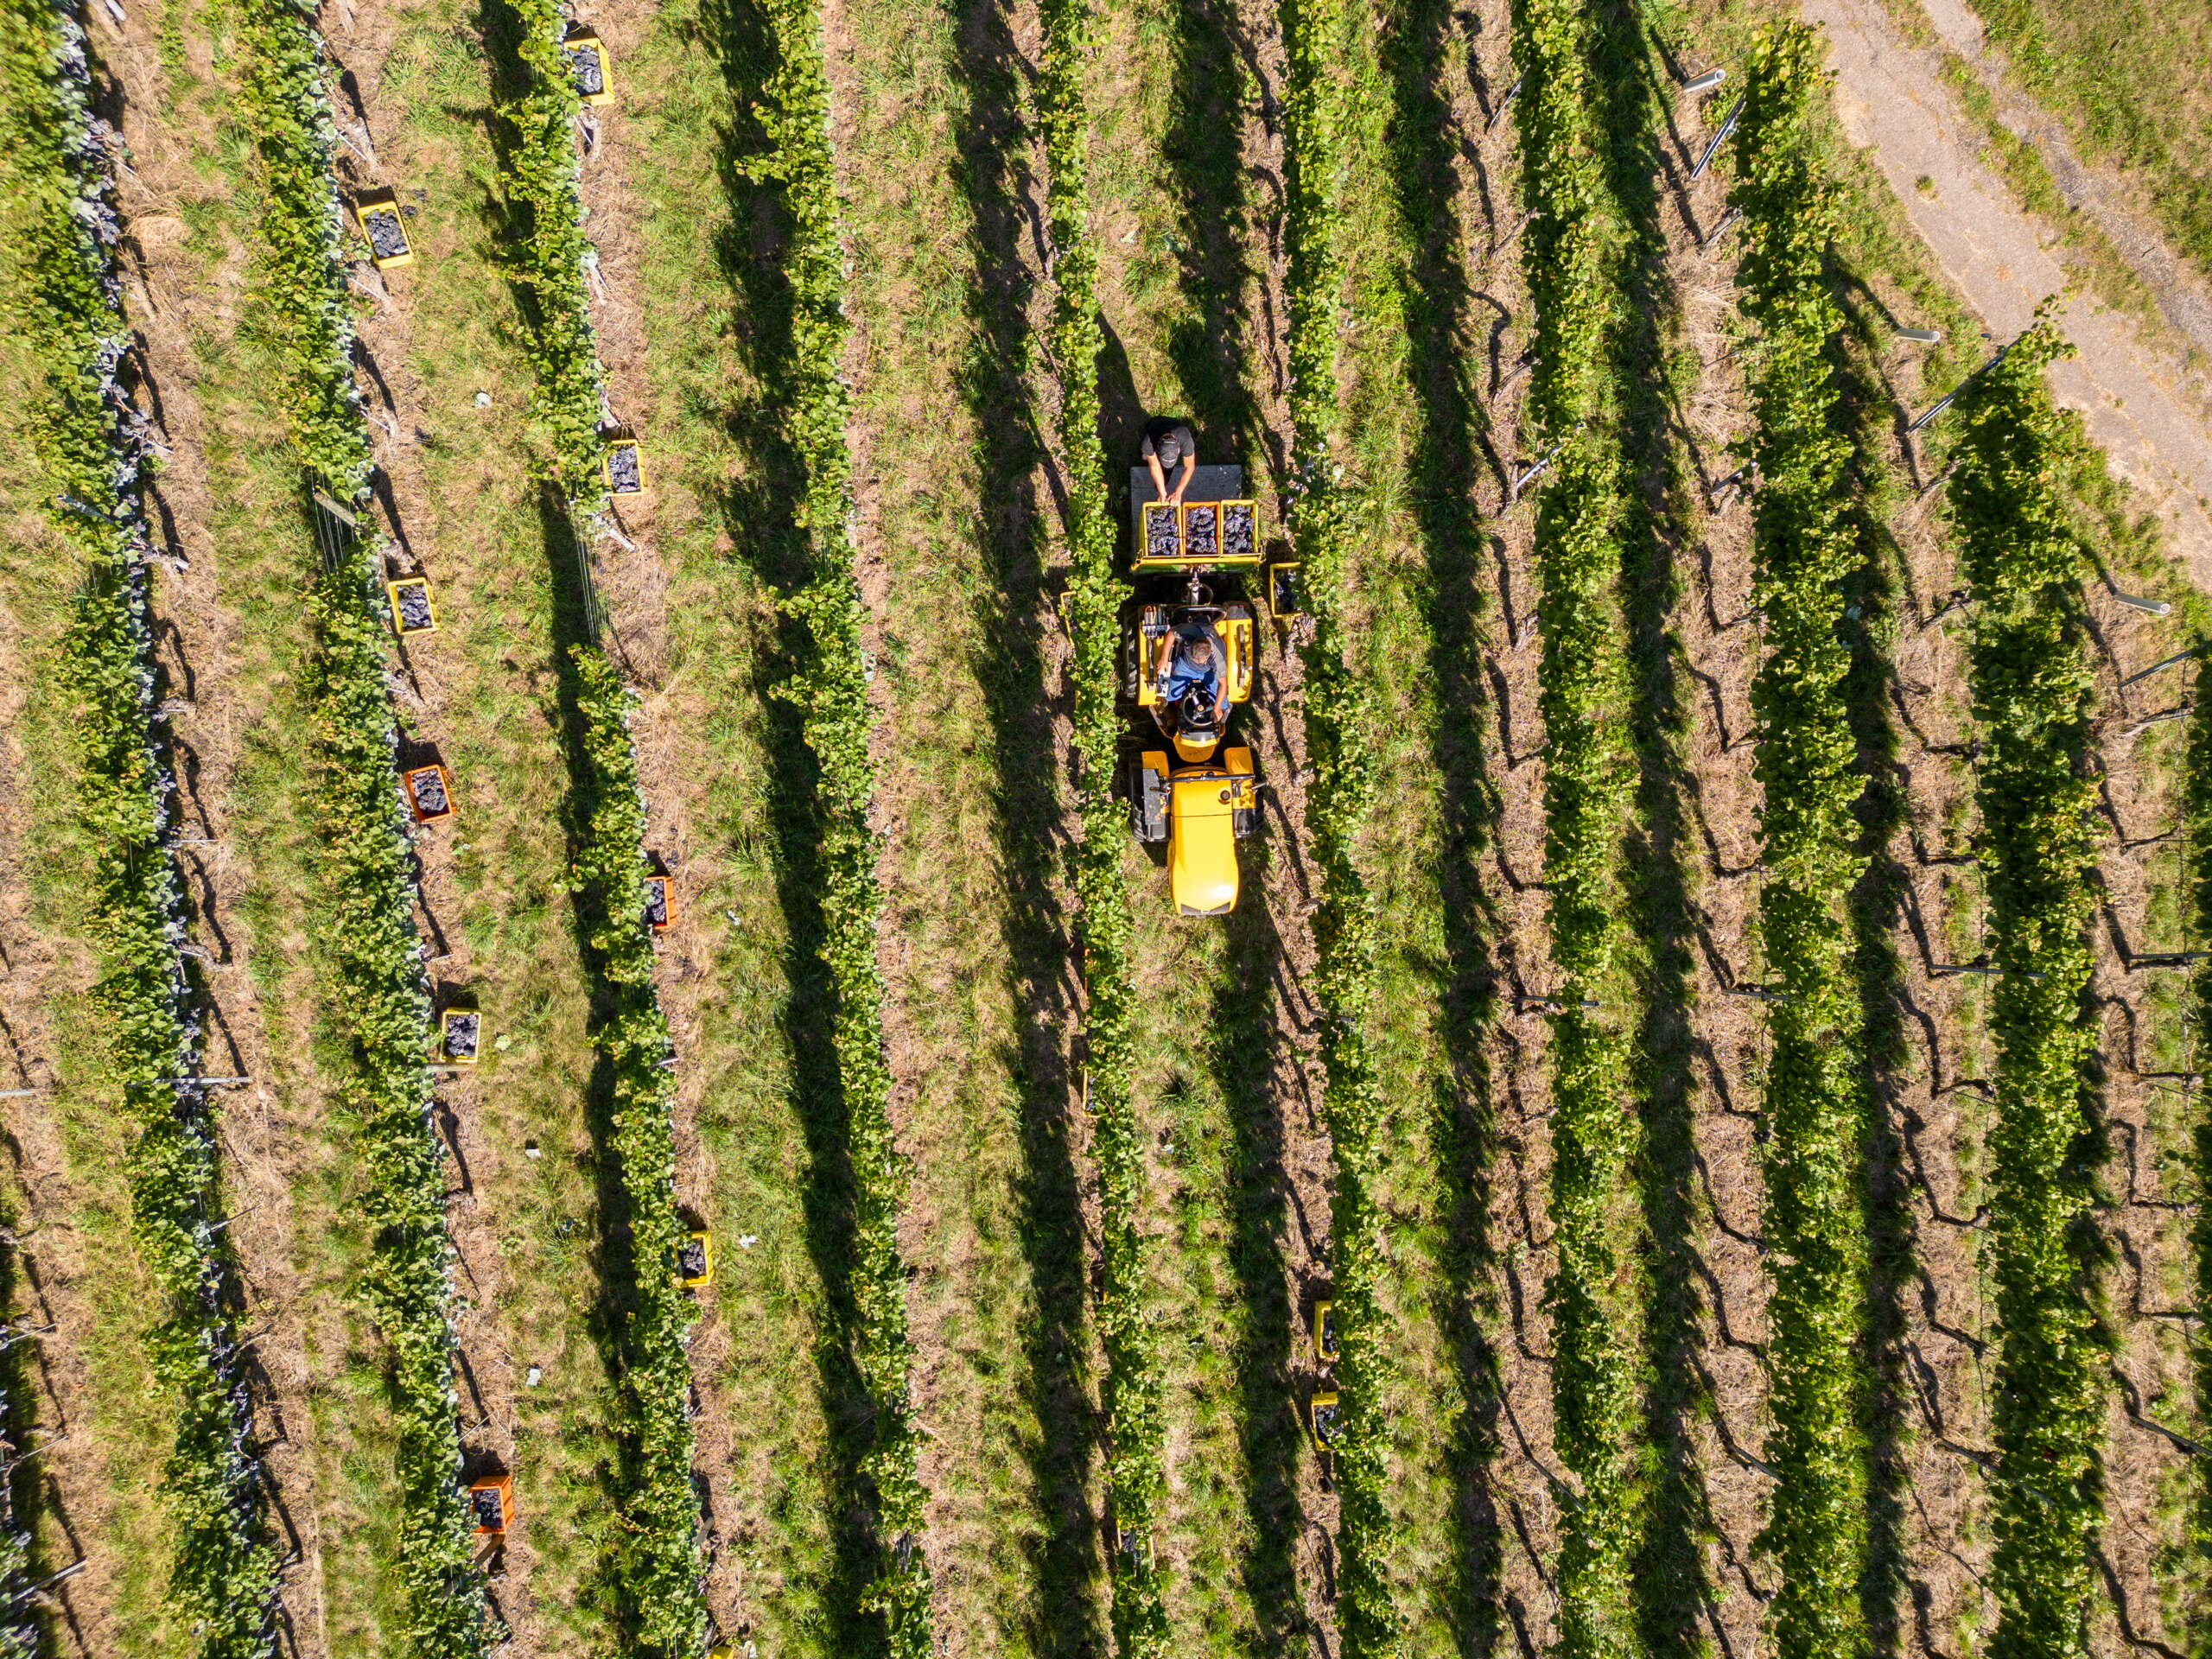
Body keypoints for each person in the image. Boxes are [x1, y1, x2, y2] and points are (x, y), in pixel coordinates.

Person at [1154, 621, 1230, 728]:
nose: (1195, 660)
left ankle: (1215, 715)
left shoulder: (1218, 660)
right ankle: (1170, 710)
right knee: (1169, 695)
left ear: (1207, 657)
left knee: (1223, 704)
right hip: (1185, 666)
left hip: (1208, 672)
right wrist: (1164, 659)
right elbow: (1171, 633)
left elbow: (1223, 684)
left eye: (1197, 660)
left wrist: (1216, 708)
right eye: (1193, 656)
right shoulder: (1190, 632)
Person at [1142, 416, 1198, 505]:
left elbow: (1190, 466)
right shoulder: (1148, 441)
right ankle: (1148, 454)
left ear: (1179, 449)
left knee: (1166, 471)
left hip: (1174, 423)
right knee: (1148, 454)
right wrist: (1162, 491)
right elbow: (1154, 466)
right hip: (1155, 424)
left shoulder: (1186, 439)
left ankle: (1152, 458)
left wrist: (1178, 492)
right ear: (1158, 447)